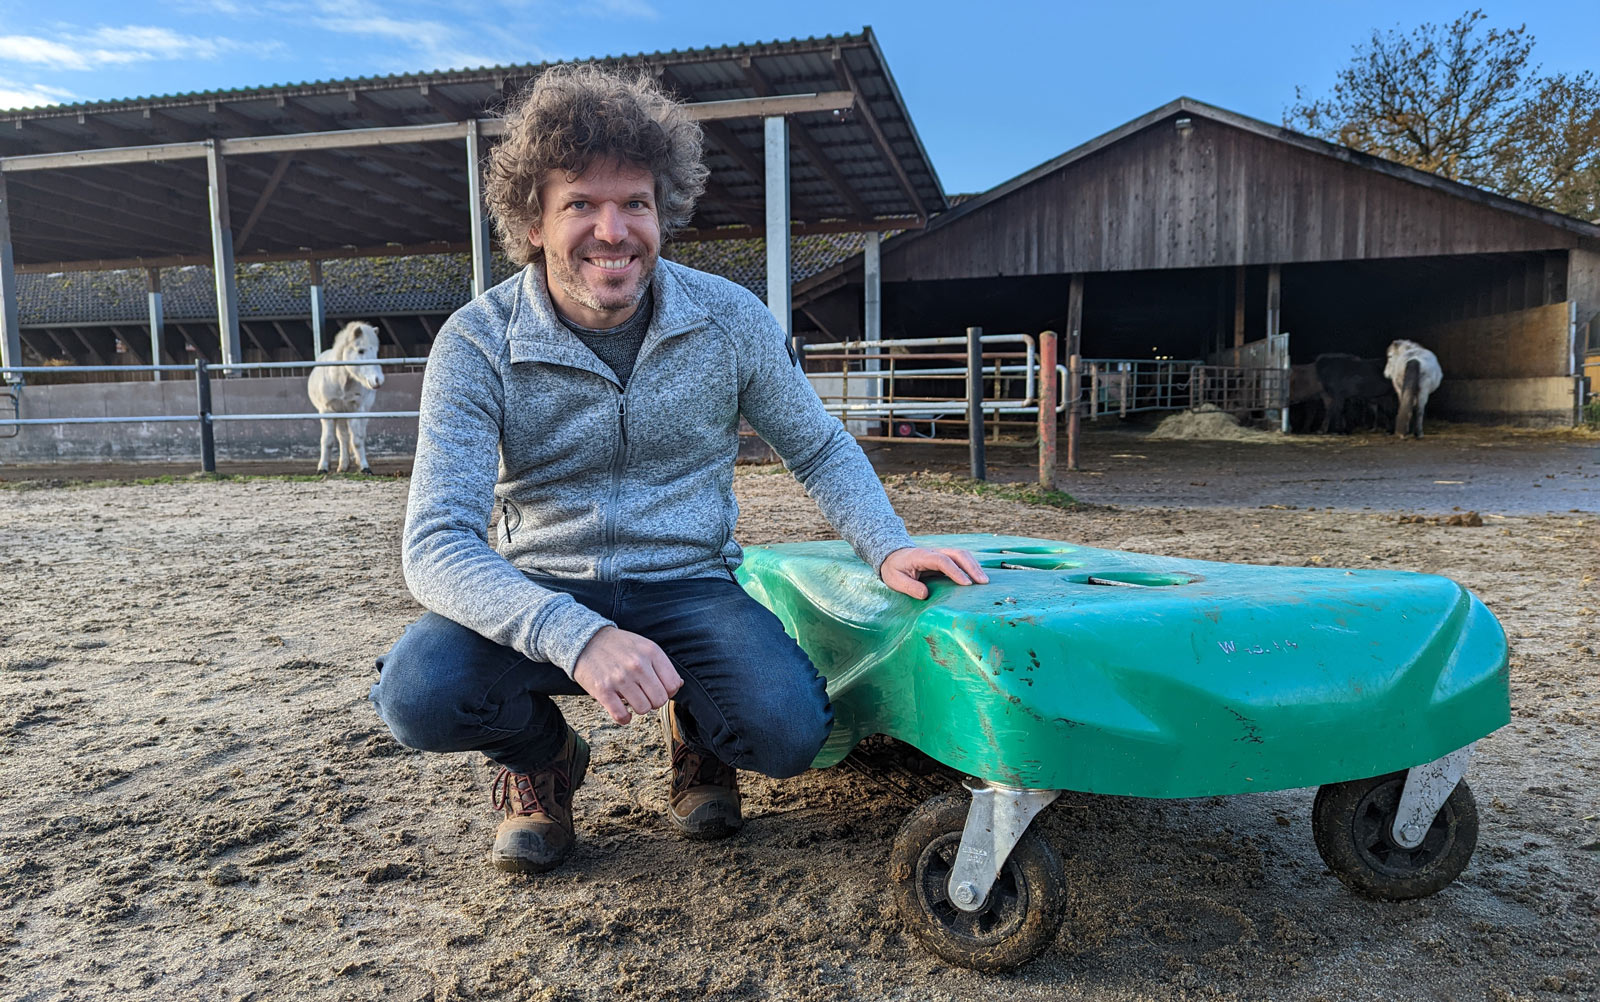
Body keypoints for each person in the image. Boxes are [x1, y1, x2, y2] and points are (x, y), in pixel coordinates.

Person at [370, 64, 987, 874]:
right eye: (580, 205)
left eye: (635, 202)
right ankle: (540, 756)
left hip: (688, 581)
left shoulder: (729, 319)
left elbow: (819, 445)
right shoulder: (478, 341)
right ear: (532, 222)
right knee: (418, 696)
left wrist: (888, 543)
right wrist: (576, 634)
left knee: (790, 732)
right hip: (542, 584)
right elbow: (437, 544)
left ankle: (698, 735)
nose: (613, 230)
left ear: (663, 210)